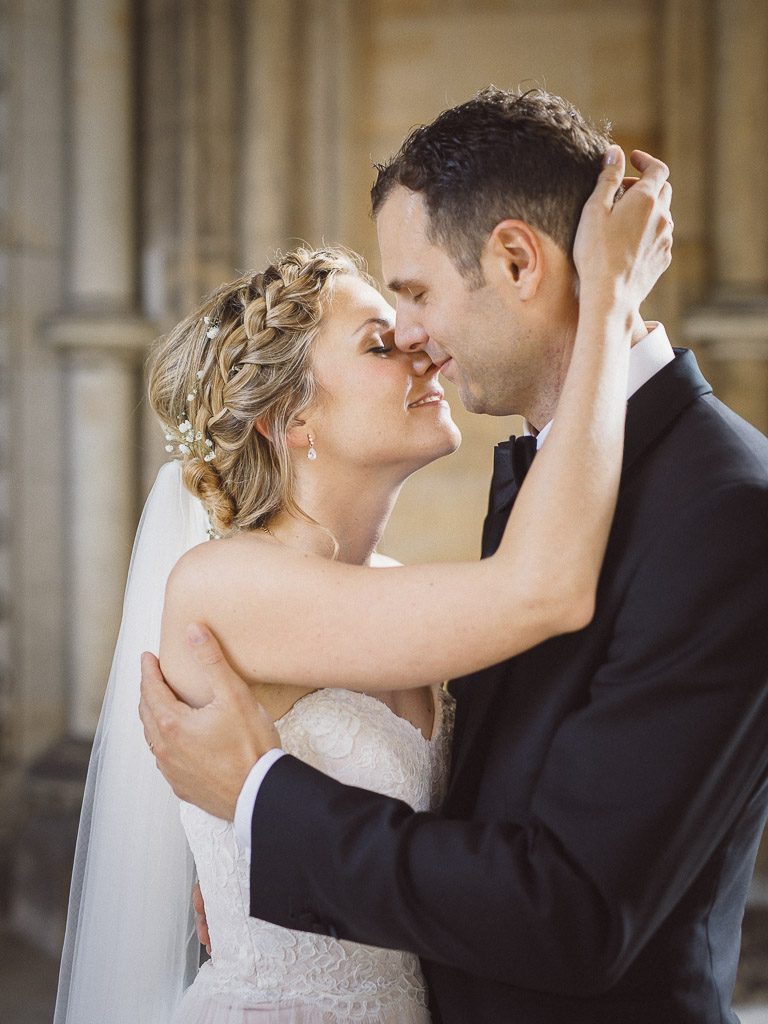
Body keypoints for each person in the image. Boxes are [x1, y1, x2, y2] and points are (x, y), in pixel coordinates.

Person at [140, 87, 768, 1024]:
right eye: (383, 332)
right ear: (291, 418)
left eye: (415, 293)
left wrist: (263, 809)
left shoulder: (725, 510)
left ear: (516, 260)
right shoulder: (550, 499)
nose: (415, 339)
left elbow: (575, 907)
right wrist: (248, 878)